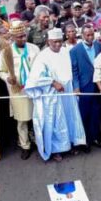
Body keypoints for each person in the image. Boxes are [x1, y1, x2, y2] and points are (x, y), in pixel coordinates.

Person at [25, 29, 86, 162]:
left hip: (67, 92)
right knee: (55, 122)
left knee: (70, 118)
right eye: (55, 42)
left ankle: (70, 144)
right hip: (52, 94)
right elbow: (34, 79)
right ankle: (55, 150)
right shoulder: (42, 57)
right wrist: (52, 82)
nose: (58, 44)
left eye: (60, 41)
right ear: (48, 42)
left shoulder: (64, 51)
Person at [0, 21, 40, 160]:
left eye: (24, 36)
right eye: (19, 37)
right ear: (13, 37)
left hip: (34, 89)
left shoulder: (34, 49)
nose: (23, 39)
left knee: (37, 118)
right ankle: (25, 146)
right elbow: (1, 71)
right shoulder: (6, 52)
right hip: (17, 91)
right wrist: (7, 78)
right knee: (22, 120)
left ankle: (39, 142)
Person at [71, 26, 101, 152]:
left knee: (96, 112)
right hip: (84, 86)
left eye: (92, 34)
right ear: (82, 35)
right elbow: (74, 71)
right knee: (84, 113)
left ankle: (95, 137)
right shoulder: (75, 50)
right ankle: (85, 140)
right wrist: (76, 87)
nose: (90, 37)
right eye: (87, 35)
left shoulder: (98, 46)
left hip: (97, 85)